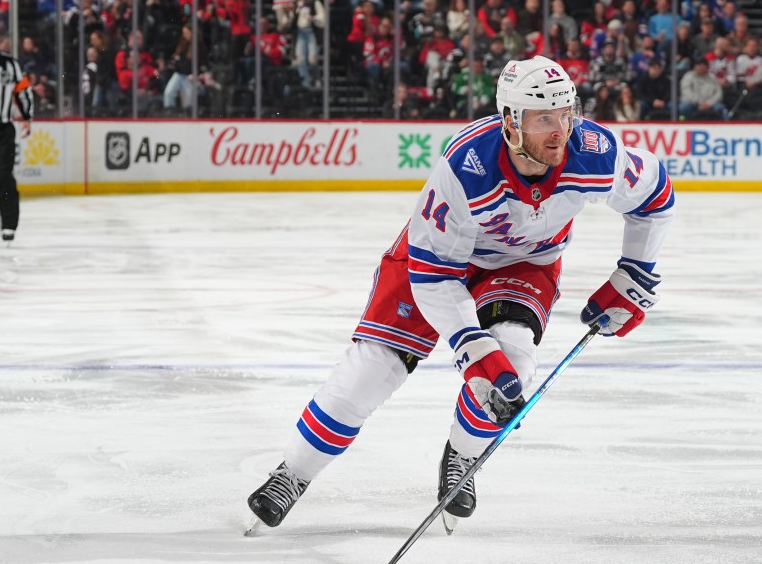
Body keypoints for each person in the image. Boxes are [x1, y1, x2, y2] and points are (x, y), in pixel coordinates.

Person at [246, 56, 675, 531]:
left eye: (566, 113)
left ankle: (462, 457)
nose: (560, 131)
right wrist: (471, 349)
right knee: (370, 373)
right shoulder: (465, 166)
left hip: (524, 263)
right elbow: (433, 276)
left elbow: (655, 197)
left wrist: (636, 271)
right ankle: (294, 473)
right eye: (543, 119)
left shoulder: (595, 153)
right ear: (511, 122)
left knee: (512, 367)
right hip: (437, 263)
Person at [0, 20, 33, 243]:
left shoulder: (10, 65)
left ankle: (8, 225)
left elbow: (23, 90)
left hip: (2, 130)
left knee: (2, 174)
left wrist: (27, 116)